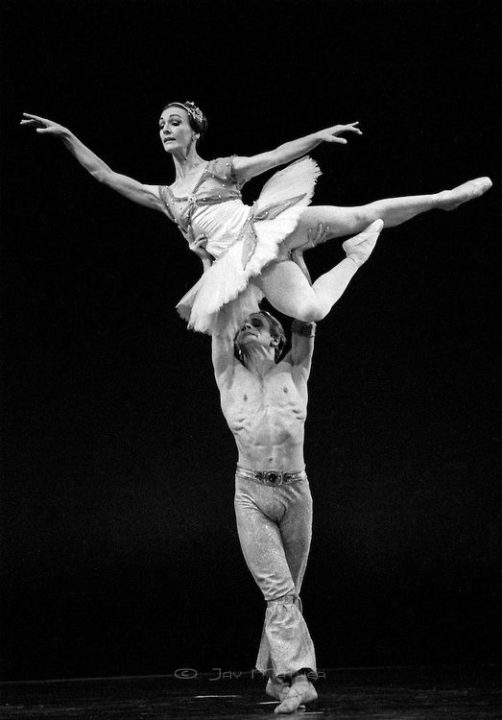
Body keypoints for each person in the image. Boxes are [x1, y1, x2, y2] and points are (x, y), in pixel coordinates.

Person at [21, 102, 492, 336]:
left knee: (360, 213)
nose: (165, 128)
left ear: (194, 130)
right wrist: (66, 135)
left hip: (266, 227)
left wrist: (319, 135)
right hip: (245, 263)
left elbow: (275, 154)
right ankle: (352, 260)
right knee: (309, 312)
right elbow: (104, 174)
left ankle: (442, 197)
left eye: (174, 122)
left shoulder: (221, 169)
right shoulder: (163, 196)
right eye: (162, 124)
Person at [210, 222, 379, 713]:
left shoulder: (295, 370)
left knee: (289, 591)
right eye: (245, 324)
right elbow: (220, 319)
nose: (247, 326)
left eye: (256, 323)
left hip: (296, 491)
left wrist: (296, 256)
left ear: (275, 336)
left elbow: (306, 311)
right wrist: (212, 266)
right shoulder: (228, 374)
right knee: (279, 590)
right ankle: (300, 679)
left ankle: (272, 676)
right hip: (251, 494)